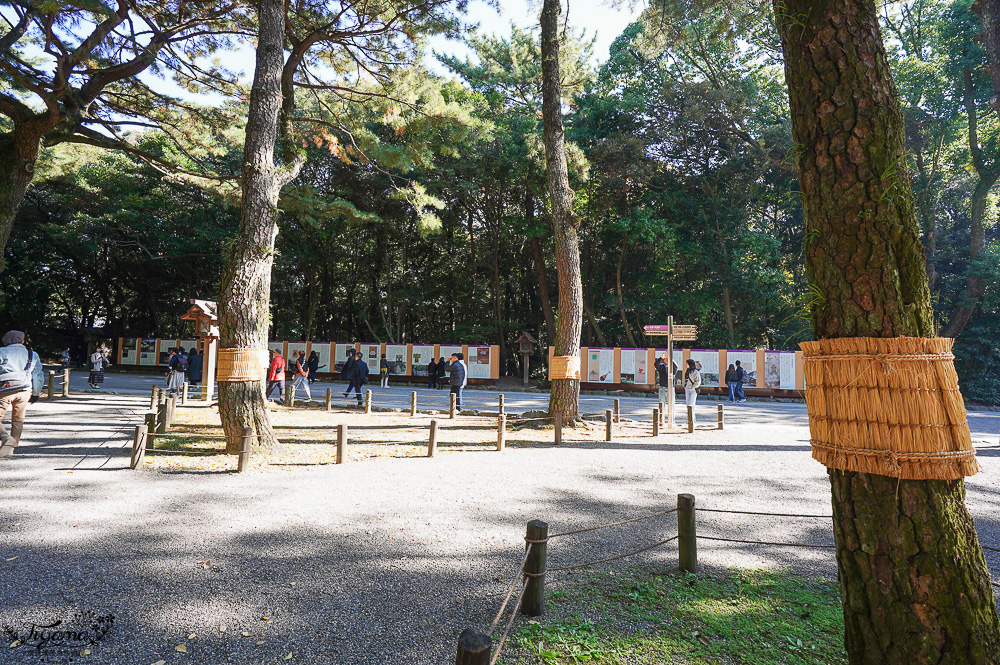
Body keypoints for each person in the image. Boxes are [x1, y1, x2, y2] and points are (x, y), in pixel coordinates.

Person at [0, 331, 43, 457]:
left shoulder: (2, 352)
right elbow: (38, 376)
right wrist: (36, 393)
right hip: (24, 390)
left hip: (4, 389)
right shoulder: (32, 354)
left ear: (5, 341)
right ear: (23, 341)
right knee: (18, 420)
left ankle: (5, 437)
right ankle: (10, 449)